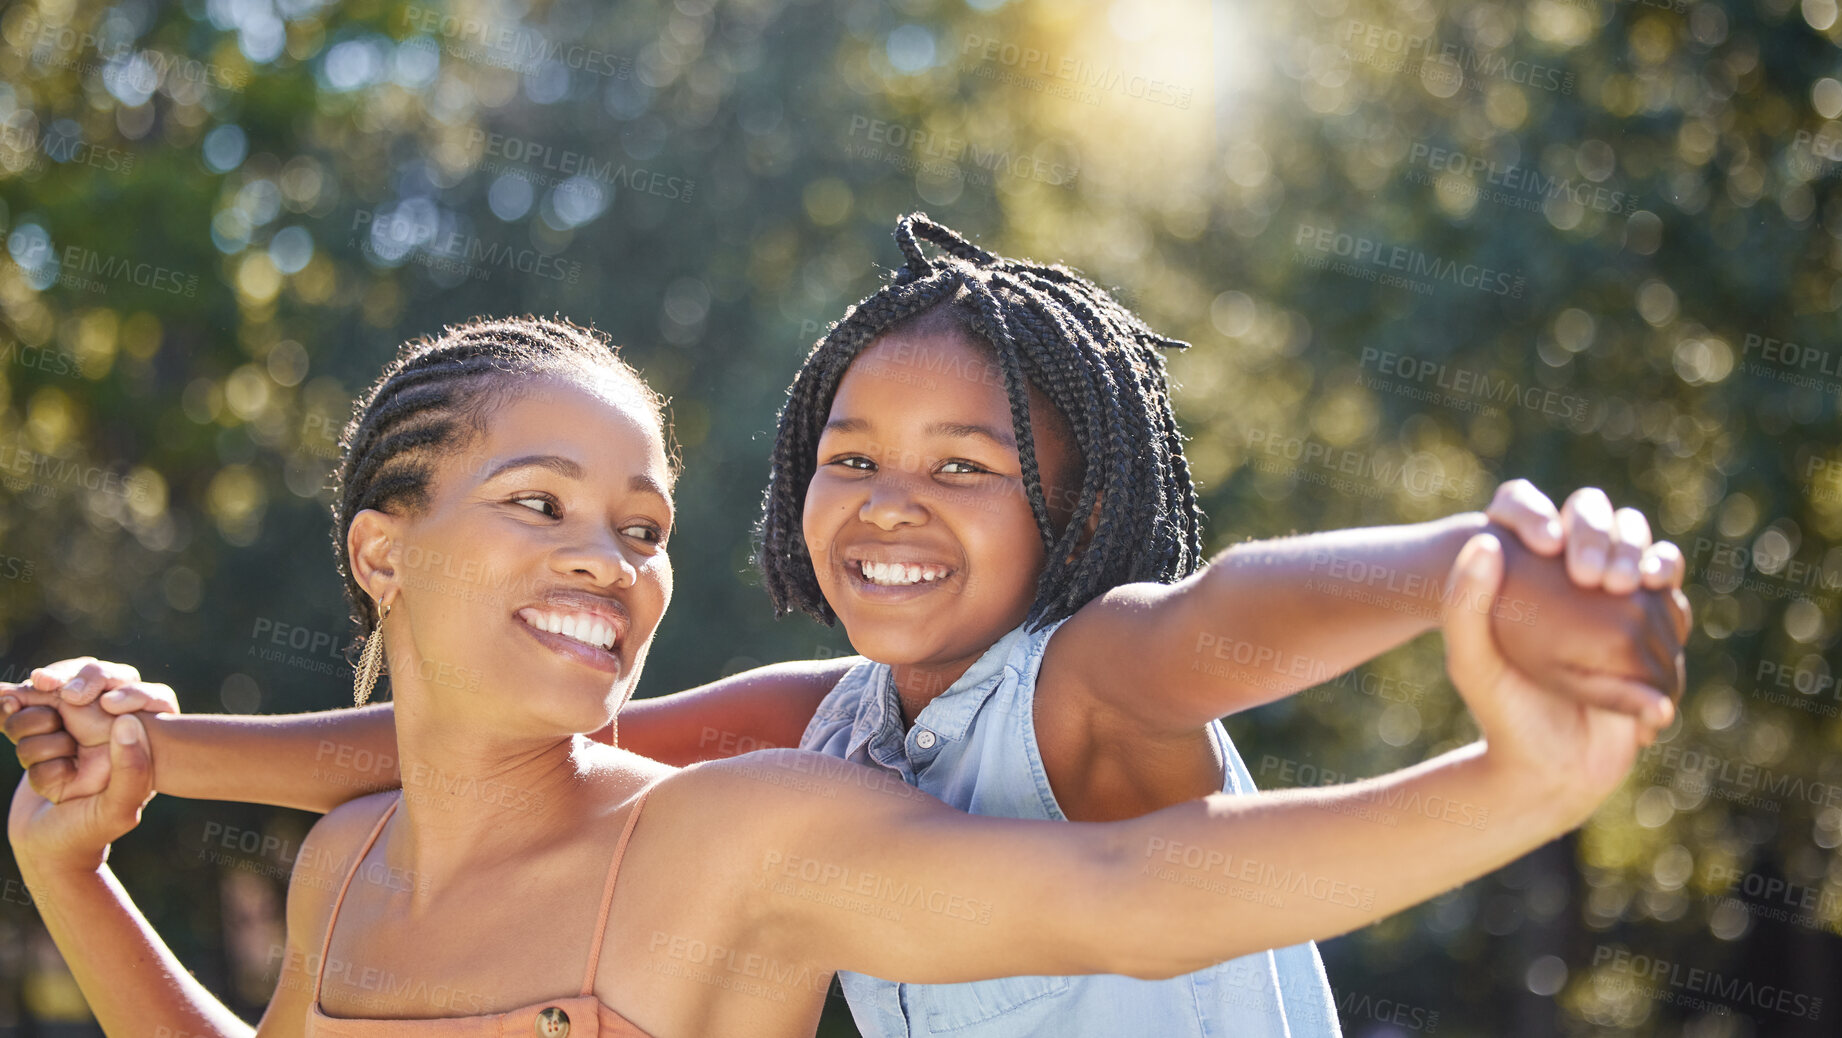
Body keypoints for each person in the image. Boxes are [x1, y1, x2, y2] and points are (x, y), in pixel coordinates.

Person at [8, 218, 1688, 1036]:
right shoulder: (836, 721)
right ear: (382, 551)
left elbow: (1195, 696)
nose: (893, 499)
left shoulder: (1061, 690)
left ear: (1075, 510)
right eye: (848, 456)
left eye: (970, 465)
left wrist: (1481, 568)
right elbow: (467, 747)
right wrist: (128, 784)